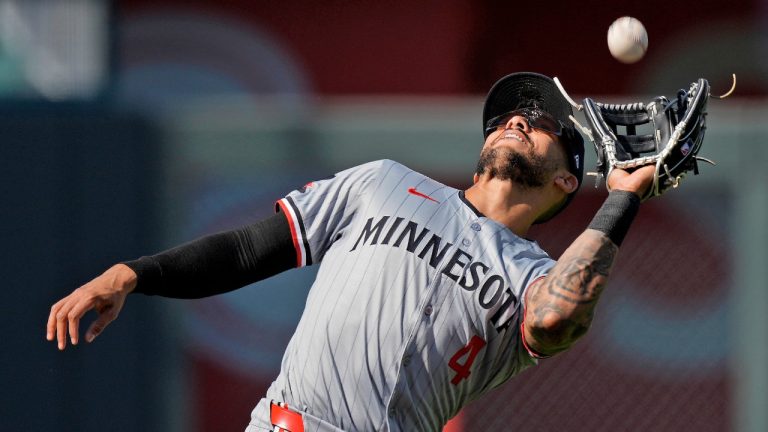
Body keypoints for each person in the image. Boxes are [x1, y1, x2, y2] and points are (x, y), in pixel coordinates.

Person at [46, 72, 655, 432]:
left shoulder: (534, 277)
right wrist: (133, 273)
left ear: (568, 181)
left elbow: (558, 317)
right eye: (507, 116)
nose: (518, 121)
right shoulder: (383, 182)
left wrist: (624, 197)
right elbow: (253, 248)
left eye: (542, 121)